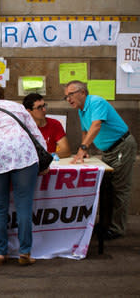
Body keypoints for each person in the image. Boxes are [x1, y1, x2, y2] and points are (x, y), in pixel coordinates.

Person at [0, 84, 48, 266]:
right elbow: (36, 134)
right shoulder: (18, 107)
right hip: (24, 156)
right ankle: (25, 253)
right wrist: (45, 159)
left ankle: (1, 253)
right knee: (24, 206)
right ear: (2, 95)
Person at [65, 80, 137, 240]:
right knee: (105, 188)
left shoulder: (96, 102)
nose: (68, 99)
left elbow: (96, 125)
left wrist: (82, 149)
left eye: (71, 94)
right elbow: (85, 130)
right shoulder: (81, 109)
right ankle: (105, 224)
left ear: (82, 93)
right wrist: (85, 150)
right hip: (108, 151)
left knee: (119, 189)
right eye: (66, 96)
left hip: (121, 147)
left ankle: (117, 228)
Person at [22, 93, 71, 158]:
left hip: (50, 163)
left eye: (44, 106)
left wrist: (46, 157)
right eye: (39, 108)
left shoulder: (54, 124)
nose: (44, 110)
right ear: (28, 111)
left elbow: (66, 151)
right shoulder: (22, 127)